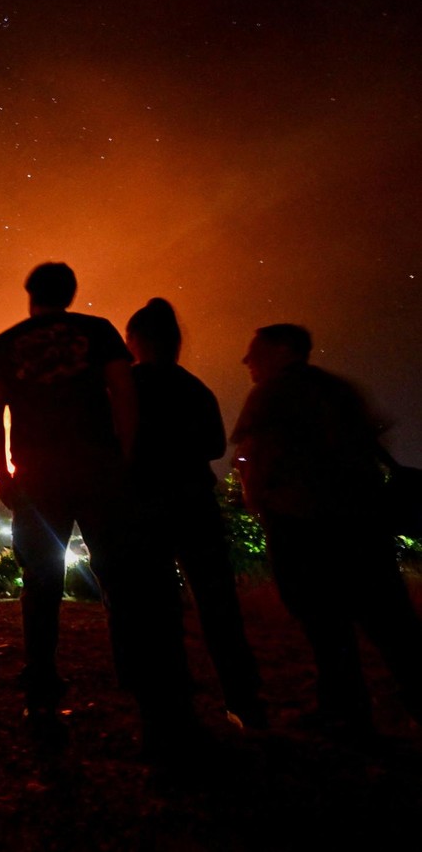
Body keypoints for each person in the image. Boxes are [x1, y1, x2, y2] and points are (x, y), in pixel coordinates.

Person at [0, 263, 195, 750]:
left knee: (40, 582)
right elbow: (123, 393)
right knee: (122, 576)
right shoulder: (97, 332)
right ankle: (149, 695)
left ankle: (41, 688)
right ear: (71, 293)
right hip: (99, 469)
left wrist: (3, 472)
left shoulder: (4, 344)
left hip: (38, 478)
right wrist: (125, 455)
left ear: (30, 294)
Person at [231, 323, 422, 735]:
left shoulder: (270, 394)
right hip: (361, 521)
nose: (247, 361)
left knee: (323, 622)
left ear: (283, 350)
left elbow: (254, 456)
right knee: (390, 623)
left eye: (255, 351)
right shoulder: (339, 390)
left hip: (300, 522)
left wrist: (257, 501)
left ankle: (346, 709)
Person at [126, 298, 265, 729]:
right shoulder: (194, 388)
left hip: (146, 502)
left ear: (134, 342)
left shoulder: (124, 387)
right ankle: (243, 700)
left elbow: (113, 444)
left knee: (156, 605)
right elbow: (215, 447)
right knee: (217, 602)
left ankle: (170, 703)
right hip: (194, 501)